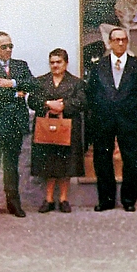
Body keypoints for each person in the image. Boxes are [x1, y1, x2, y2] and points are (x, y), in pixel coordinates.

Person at [87, 27, 137, 212]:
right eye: (117, 40)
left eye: (124, 39)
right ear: (110, 42)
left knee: (131, 159)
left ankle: (129, 199)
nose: (121, 43)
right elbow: (92, 93)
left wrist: (130, 110)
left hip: (129, 120)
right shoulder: (99, 66)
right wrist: (101, 110)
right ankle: (106, 200)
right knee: (102, 159)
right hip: (104, 120)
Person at [0, 32, 38, 219]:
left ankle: (13, 204)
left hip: (15, 124)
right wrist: (16, 92)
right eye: (4, 47)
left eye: (10, 46)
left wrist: (11, 83)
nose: (8, 50)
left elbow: (32, 84)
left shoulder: (20, 65)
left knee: (11, 166)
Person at [29, 48, 86, 213]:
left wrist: (63, 106)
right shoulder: (40, 82)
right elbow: (32, 100)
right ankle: (48, 199)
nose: (55, 65)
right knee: (48, 163)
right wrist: (48, 104)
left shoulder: (76, 83)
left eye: (58, 62)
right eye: (52, 62)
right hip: (46, 128)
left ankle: (63, 199)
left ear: (66, 63)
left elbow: (82, 101)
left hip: (67, 127)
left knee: (65, 164)